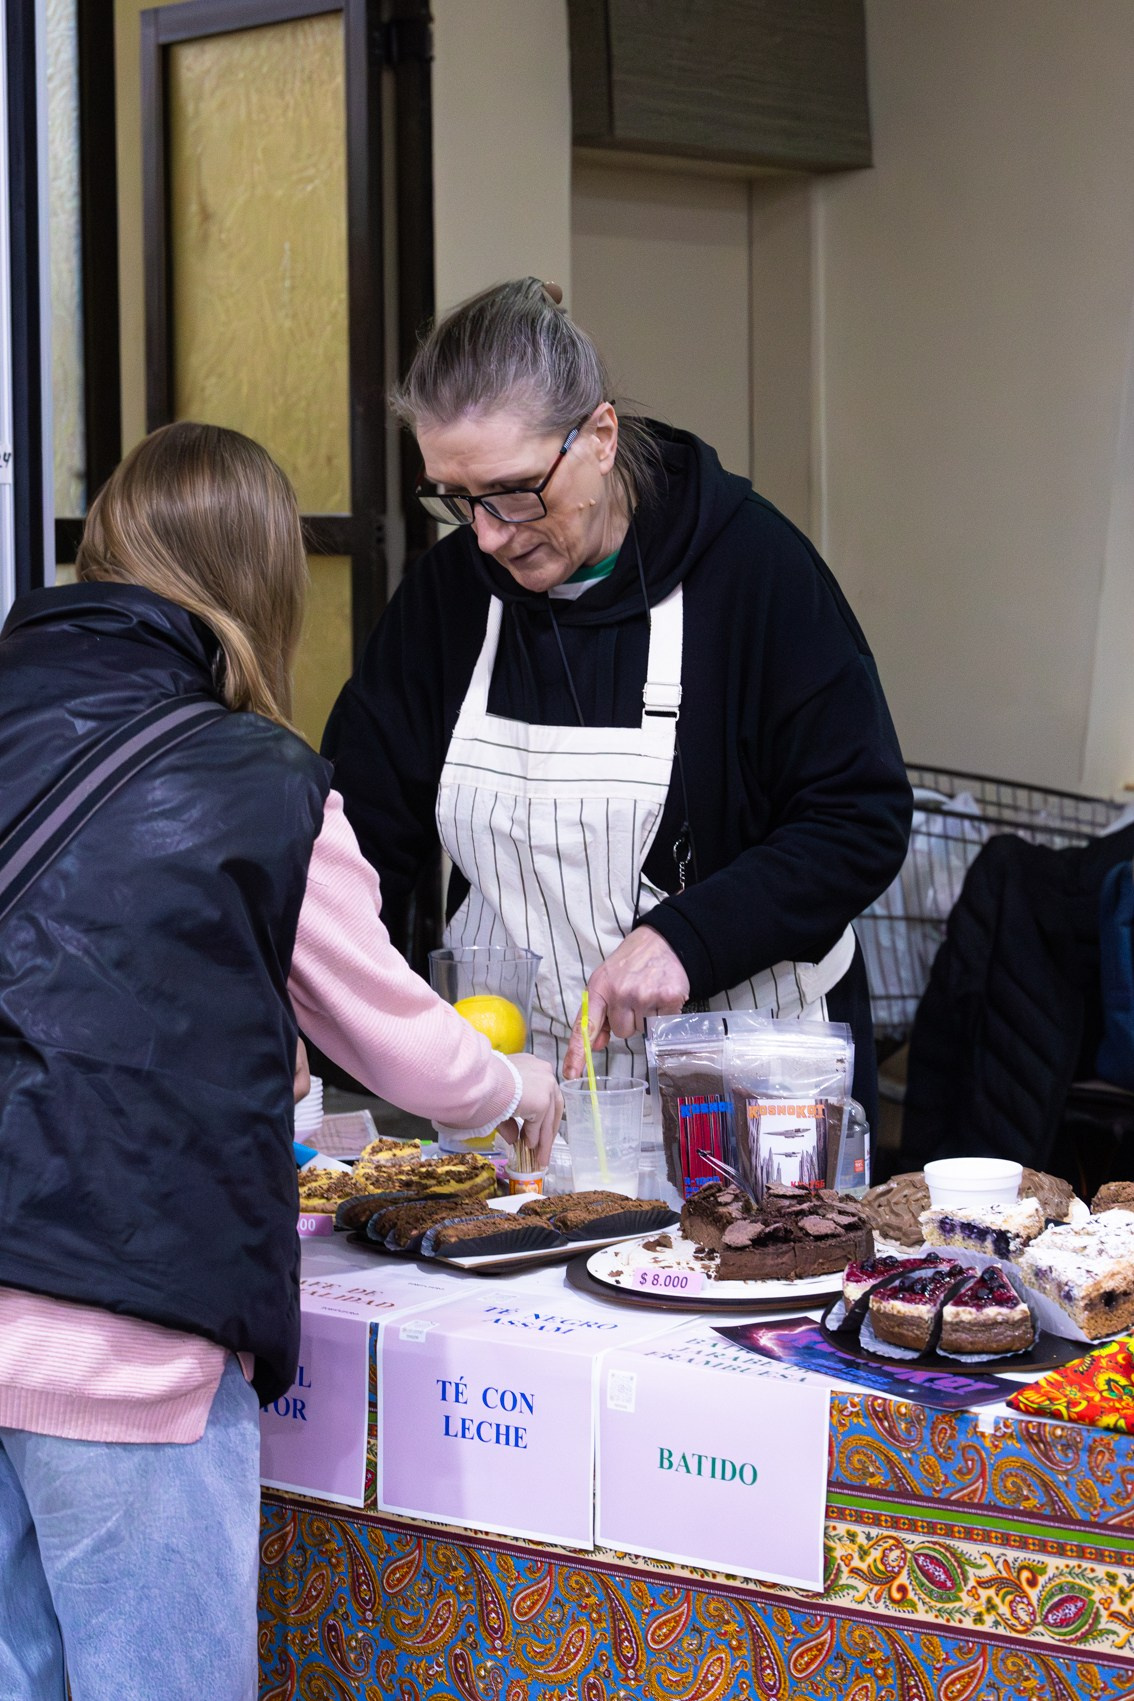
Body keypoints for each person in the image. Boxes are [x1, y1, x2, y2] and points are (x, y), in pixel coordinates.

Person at [0, 422, 560, 1701]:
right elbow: (410, 1049)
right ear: (260, 584)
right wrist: (514, 1089)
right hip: (117, 1334)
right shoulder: (262, 780)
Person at [322, 278, 913, 1134]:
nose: (488, 535)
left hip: (743, 1080)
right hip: (521, 1087)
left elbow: (858, 816)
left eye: (515, 492)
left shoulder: (753, 572)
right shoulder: (449, 600)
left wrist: (689, 935)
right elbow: (360, 832)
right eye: (456, 500)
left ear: (599, 436)